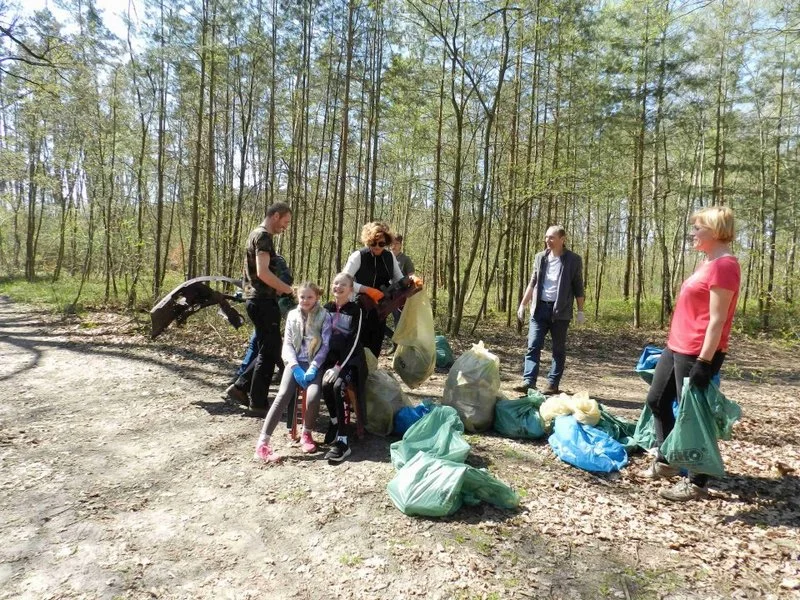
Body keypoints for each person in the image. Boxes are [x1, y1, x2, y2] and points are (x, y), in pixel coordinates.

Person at [643, 206, 740, 502]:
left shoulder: (725, 265)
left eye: (697, 228)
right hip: (677, 345)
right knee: (657, 400)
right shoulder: (706, 263)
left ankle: (697, 482)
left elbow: (717, 320)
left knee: (694, 417)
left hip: (698, 350)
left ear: (715, 231)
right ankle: (669, 459)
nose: (692, 234)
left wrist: (704, 362)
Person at [254, 282, 332, 462]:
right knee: (282, 395)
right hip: (295, 364)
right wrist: (294, 366)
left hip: (314, 364)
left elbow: (325, 345)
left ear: (317, 297)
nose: (305, 300)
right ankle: (263, 442)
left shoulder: (324, 316)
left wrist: (313, 368)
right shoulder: (291, 315)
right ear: (297, 296)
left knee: (313, 396)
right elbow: (287, 344)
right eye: (302, 296)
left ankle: (307, 433)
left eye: (310, 297)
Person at [231, 203, 294, 415]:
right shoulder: (263, 237)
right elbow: (263, 273)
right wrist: (288, 289)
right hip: (262, 301)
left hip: (256, 299)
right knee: (270, 351)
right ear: (275, 216)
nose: (285, 228)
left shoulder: (255, 235)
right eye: (285, 222)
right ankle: (258, 403)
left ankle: (241, 386)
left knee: (263, 346)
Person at [515, 225, 585, 395]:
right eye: (546, 237)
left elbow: (578, 286)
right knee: (533, 345)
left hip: (560, 312)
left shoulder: (573, 260)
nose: (548, 240)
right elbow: (533, 282)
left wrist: (580, 311)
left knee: (558, 349)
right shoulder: (540, 258)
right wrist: (523, 305)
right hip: (539, 310)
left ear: (562, 239)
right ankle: (529, 382)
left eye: (552, 237)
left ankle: (553, 384)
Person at [320, 273, 366, 463]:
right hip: (329, 361)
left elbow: (354, 342)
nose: (338, 286)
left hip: (351, 362)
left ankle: (343, 441)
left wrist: (339, 367)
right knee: (324, 385)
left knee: (339, 387)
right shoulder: (326, 308)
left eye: (343, 284)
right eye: (336, 283)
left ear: (350, 289)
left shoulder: (356, 311)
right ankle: (334, 421)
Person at [342, 222, 404, 358]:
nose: (377, 247)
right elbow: (343, 281)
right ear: (367, 242)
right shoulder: (359, 256)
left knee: (375, 348)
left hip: (380, 310)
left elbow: (399, 279)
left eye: (381, 244)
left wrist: (412, 282)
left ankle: (371, 376)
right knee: (357, 349)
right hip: (358, 309)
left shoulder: (389, 257)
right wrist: (367, 290)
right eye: (373, 243)